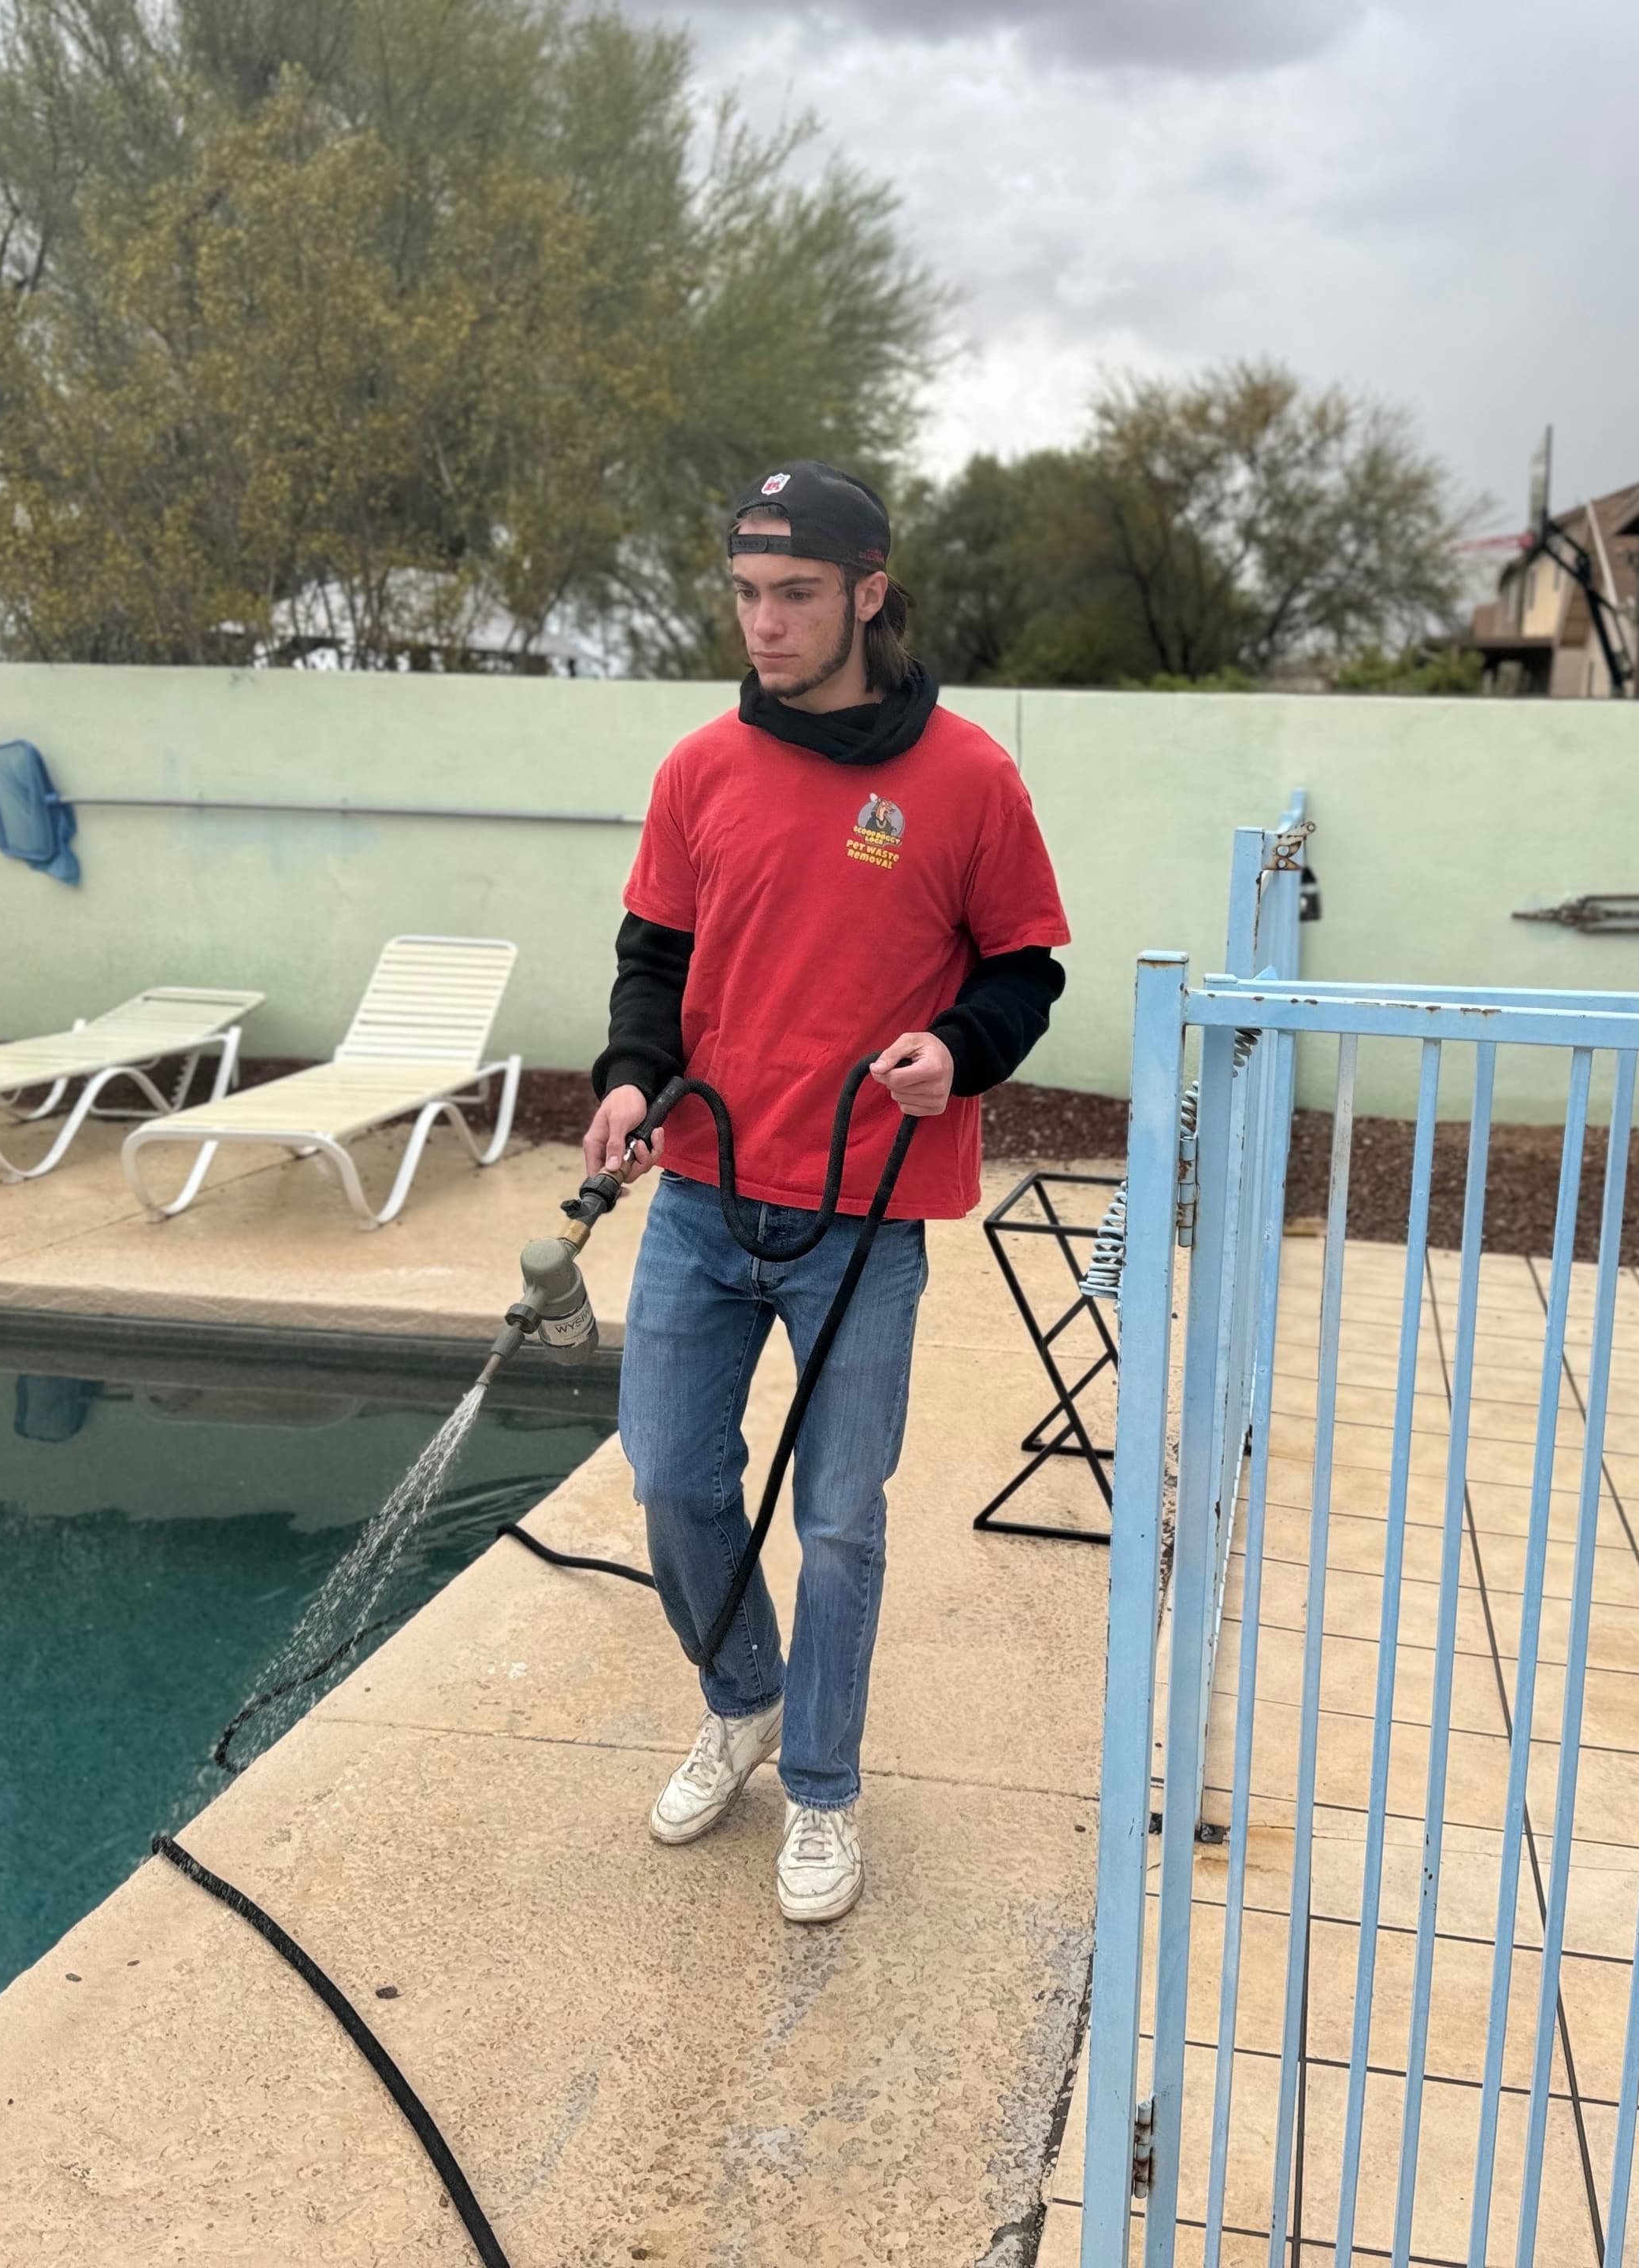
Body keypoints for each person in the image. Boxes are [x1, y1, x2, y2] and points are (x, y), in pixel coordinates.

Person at [584, 461, 1070, 1922]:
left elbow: (1025, 968)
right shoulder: (698, 771)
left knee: (843, 1518)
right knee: (671, 1476)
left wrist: (959, 1051)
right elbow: (655, 958)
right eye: (745, 594)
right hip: (703, 1195)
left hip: (868, 1207)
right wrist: (627, 1073)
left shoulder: (969, 777)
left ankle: (824, 1790)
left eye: (795, 595)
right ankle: (741, 1696)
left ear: (869, 593)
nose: (765, 623)